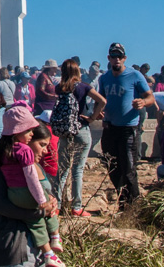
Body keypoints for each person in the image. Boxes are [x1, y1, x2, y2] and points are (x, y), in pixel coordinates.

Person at [0, 103, 65, 267]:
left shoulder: (36, 168)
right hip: (15, 245)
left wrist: (51, 201)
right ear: (24, 139)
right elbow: (0, 205)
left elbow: (42, 194)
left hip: (36, 249)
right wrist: (39, 211)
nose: (46, 151)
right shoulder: (2, 169)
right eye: (41, 145)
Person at [97, 43, 154, 208]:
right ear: (109, 58)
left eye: (119, 56)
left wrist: (143, 102)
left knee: (128, 168)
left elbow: (151, 98)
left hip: (128, 128)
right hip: (110, 127)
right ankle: (123, 199)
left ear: (124, 58)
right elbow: (101, 99)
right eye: (113, 56)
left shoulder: (135, 75)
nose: (117, 60)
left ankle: (134, 204)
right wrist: (98, 112)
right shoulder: (104, 78)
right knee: (112, 166)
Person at [52, 58, 106, 216]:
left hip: (65, 131)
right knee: (77, 170)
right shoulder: (84, 87)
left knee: (62, 170)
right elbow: (102, 101)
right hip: (81, 128)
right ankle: (76, 207)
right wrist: (92, 117)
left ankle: (57, 205)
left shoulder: (59, 88)